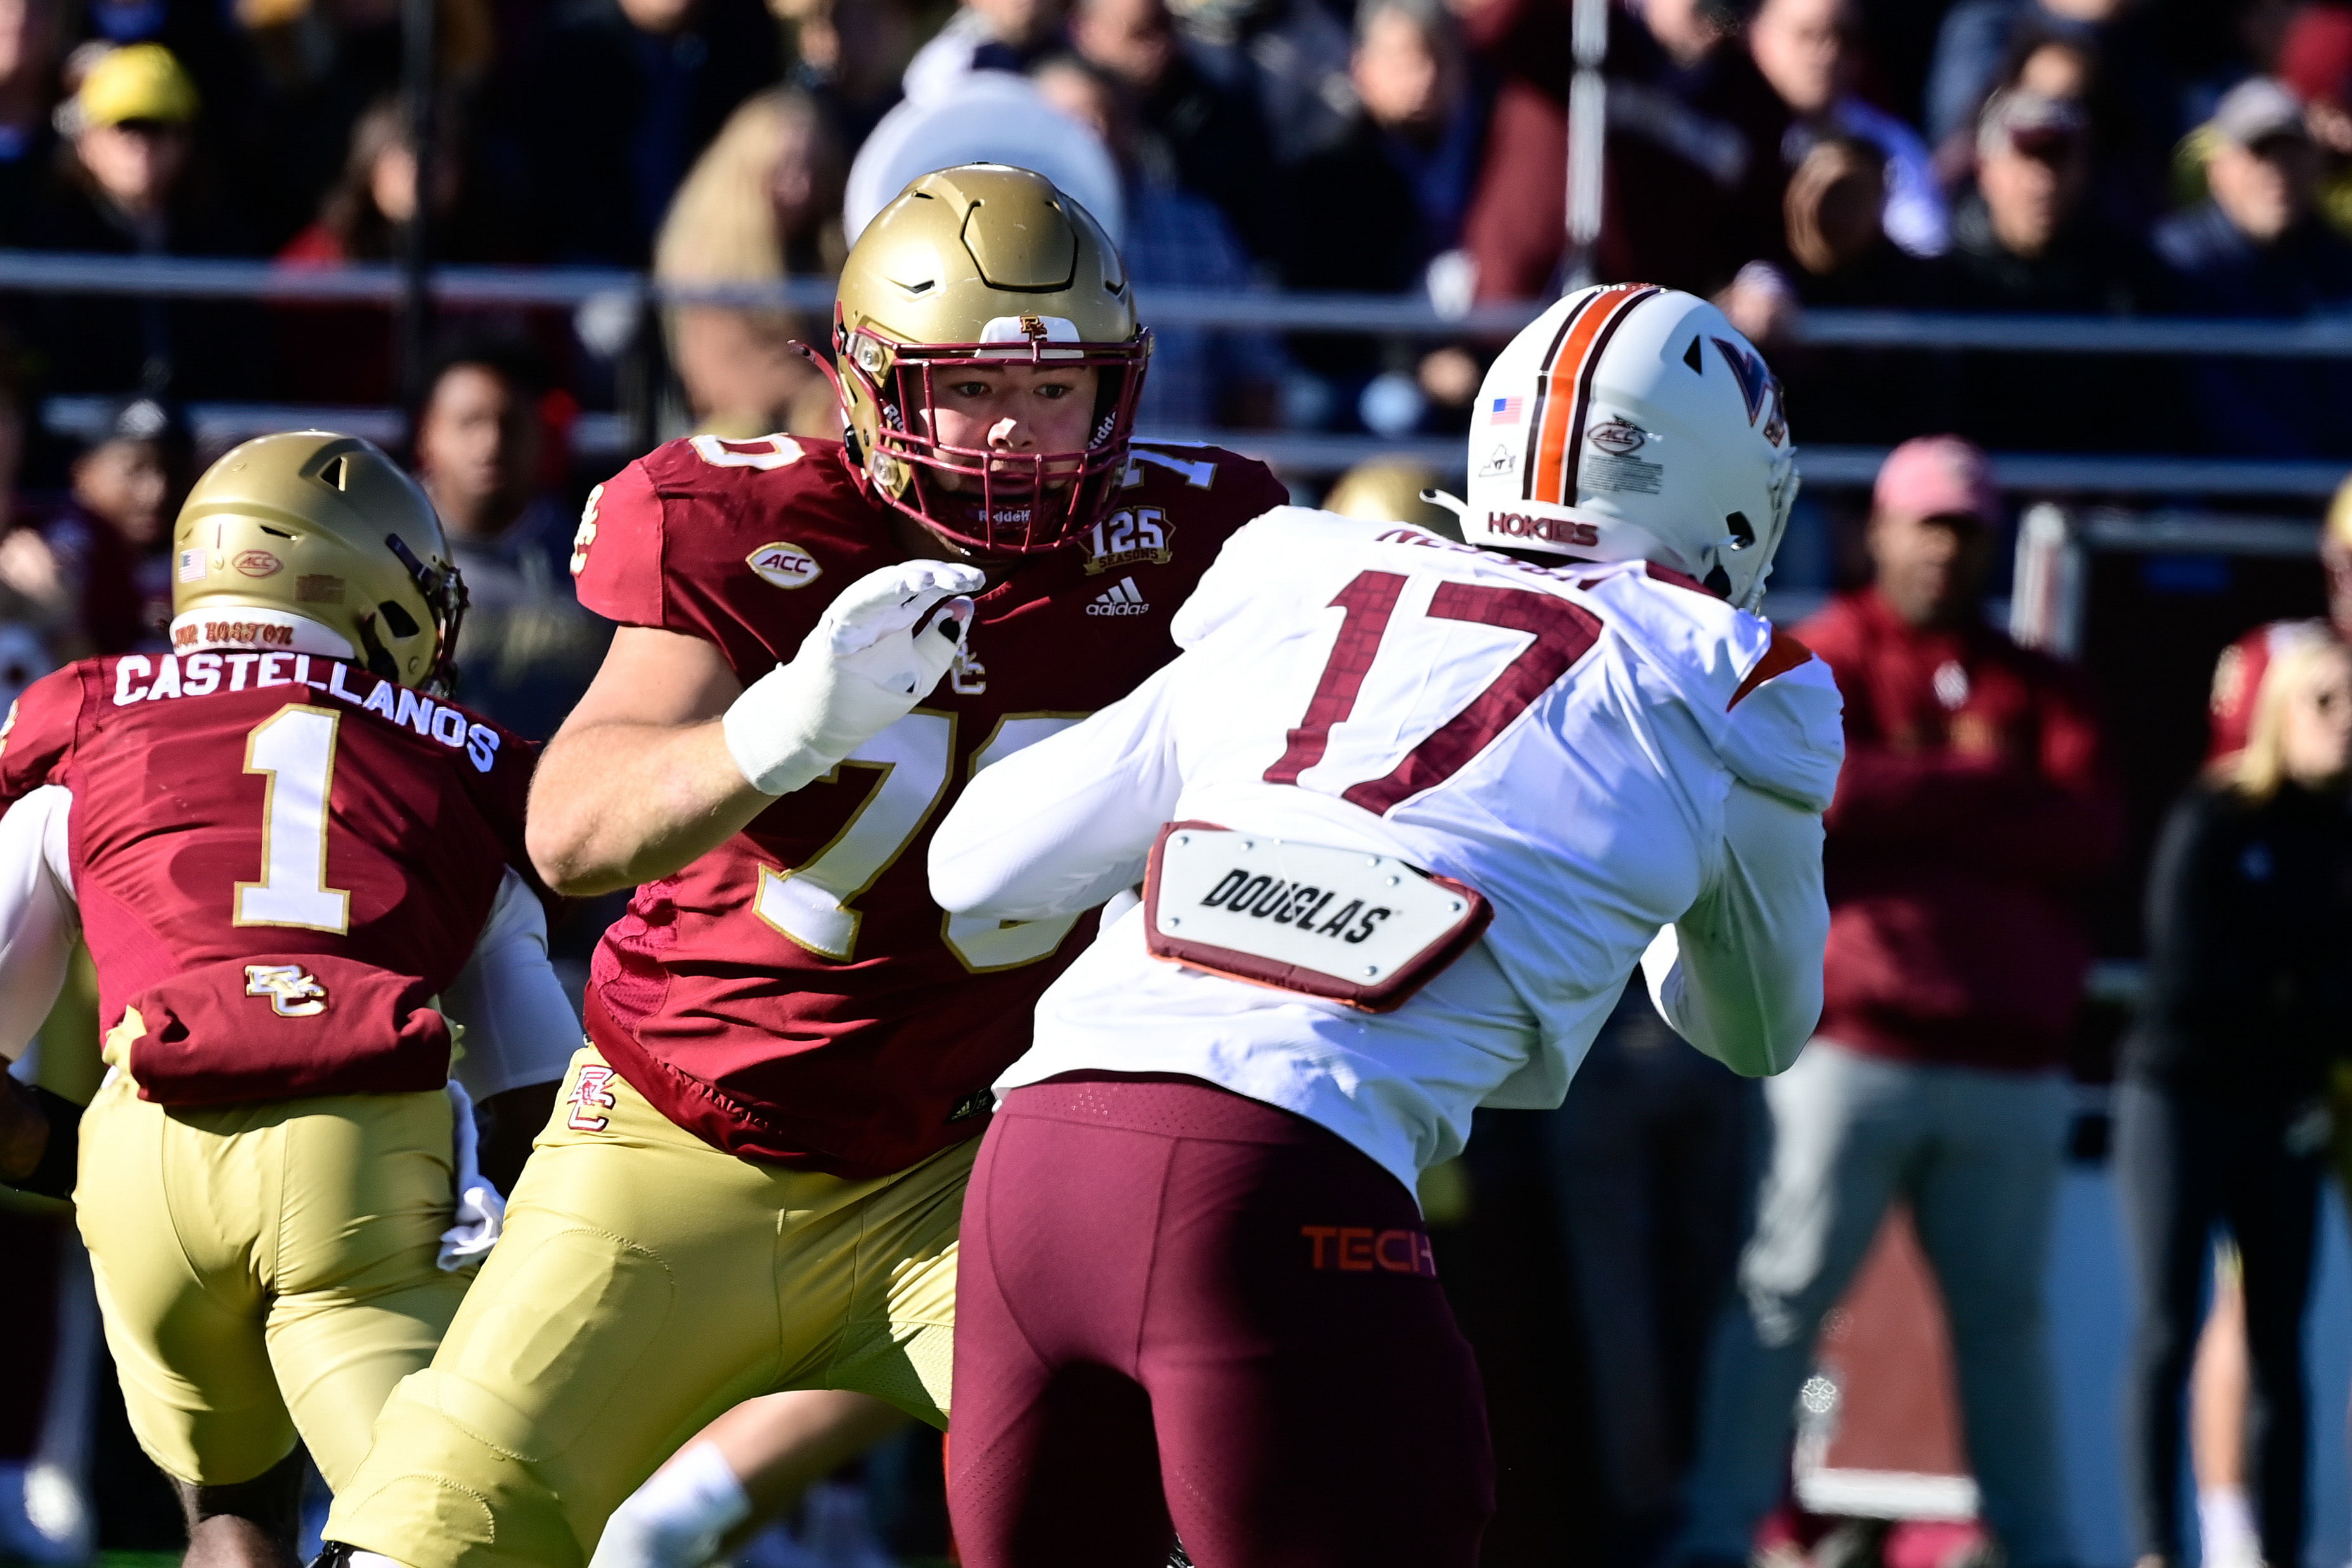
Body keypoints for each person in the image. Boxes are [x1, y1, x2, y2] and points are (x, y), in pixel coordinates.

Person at [311, 164, 1290, 1568]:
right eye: (971, 390)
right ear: (869, 384)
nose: (1019, 435)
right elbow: (571, 830)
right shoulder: (749, 521)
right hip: (683, 1135)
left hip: (984, 1162)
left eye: (1058, 389)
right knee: (433, 1534)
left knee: (1203, 1512)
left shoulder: (1202, 533)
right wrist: (779, 726)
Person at [923, 280, 1838, 1567]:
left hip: (1037, 1170)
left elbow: (976, 864)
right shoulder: (1727, 681)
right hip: (1283, 1185)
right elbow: (1752, 1026)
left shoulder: (1308, 576)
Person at [0, 429, 580, 1568]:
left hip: (145, 1149)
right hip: (359, 1155)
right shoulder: (467, 764)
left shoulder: (85, 722)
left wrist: (81, 1156)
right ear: (369, 583)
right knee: (433, 1523)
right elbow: (536, 1102)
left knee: (229, 1513)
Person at [1676, 434, 2121, 1568]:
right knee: (1779, 1297)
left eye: (1965, 528)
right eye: (1928, 524)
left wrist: (1909, 807)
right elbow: (1823, 788)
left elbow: (2089, 829)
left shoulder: (2037, 678)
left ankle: (2041, 1544)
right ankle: (1717, 1533)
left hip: (2007, 1063)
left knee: (2004, 1331)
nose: (1945, 549)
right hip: (1853, 1050)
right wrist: (1986, 796)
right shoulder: (1825, 657)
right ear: (1879, 529)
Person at [2117, 631, 2352, 1568]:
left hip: (2279, 1102)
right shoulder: (2214, 819)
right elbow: (2184, 977)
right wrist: (2297, 995)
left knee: (2278, 1340)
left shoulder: (2339, 838)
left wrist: (2291, 1000)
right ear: (2276, 712)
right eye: (2326, 703)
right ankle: (2155, 1547)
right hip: (2181, 1098)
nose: (2346, 725)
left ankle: (2285, 1549)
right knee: (2169, 1323)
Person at [410, 346, 611, 742]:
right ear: (428, 433)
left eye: (512, 423)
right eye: (469, 423)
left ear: (544, 435)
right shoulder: (380, 547)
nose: (491, 443)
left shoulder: (597, 551)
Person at [2155, 77, 2352, 459]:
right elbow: (2201, 400)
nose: (2277, 173)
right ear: (2217, 170)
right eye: (2259, 154)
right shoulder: (2176, 265)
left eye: (2290, 154)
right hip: (2215, 498)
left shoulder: (2339, 264)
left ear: (2316, 164)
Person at [652, 87, 843, 441]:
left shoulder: (831, 250)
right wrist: (824, 398)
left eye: (814, 168)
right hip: (746, 433)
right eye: (783, 169)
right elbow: (730, 380)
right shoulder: (708, 262)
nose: (802, 187)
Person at [1747, 0, 1946, 257]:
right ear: (1758, 36)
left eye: (1845, 38)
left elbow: (1925, 244)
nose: (1828, 53)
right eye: (1807, 35)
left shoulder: (1888, 143)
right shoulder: (1724, 131)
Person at [68, 391, 191, 650]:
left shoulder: (212, 564)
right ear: (84, 473)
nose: (157, 493)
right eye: (133, 472)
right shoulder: (51, 558)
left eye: (173, 471)